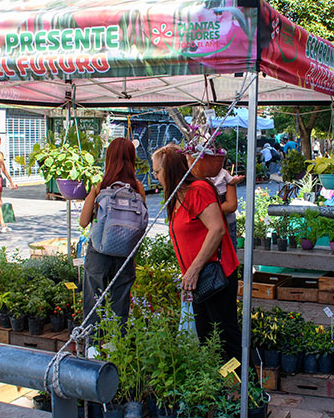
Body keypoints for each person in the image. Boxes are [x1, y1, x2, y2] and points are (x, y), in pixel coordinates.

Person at [152, 144, 241, 361]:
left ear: (170, 170)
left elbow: (217, 229)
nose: (156, 177)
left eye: (157, 171)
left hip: (216, 276)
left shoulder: (197, 190)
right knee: (208, 339)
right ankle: (218, 381)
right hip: (200, 280)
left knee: (224, 339)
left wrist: (192, 270)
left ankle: (241, 380)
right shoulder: (179, 196)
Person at [79, 138, 146, 324]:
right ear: (132, 158)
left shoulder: (100, 186)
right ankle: (118, 340)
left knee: (93, 304)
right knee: (120, 306)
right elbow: (142, 224)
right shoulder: (138, 188)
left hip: (99, 251)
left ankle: (92, 340)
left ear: (109, 158)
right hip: (126, 254)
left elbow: (83, 222)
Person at [211, 167, 243, 249]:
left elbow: (231, 206)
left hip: (225, 224)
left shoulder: (224, 173)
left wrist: (204, 212)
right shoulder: (195, 175)